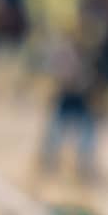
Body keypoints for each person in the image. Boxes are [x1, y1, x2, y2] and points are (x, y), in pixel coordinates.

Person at [38, 31, 103, 181]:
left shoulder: (90, 58)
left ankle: (84, 166)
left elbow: (95, 81)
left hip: (81, 101)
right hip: (67, 99)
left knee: (86, 136)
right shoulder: (64, 56)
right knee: (55, 135)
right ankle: (49, 163)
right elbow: (58, 76)